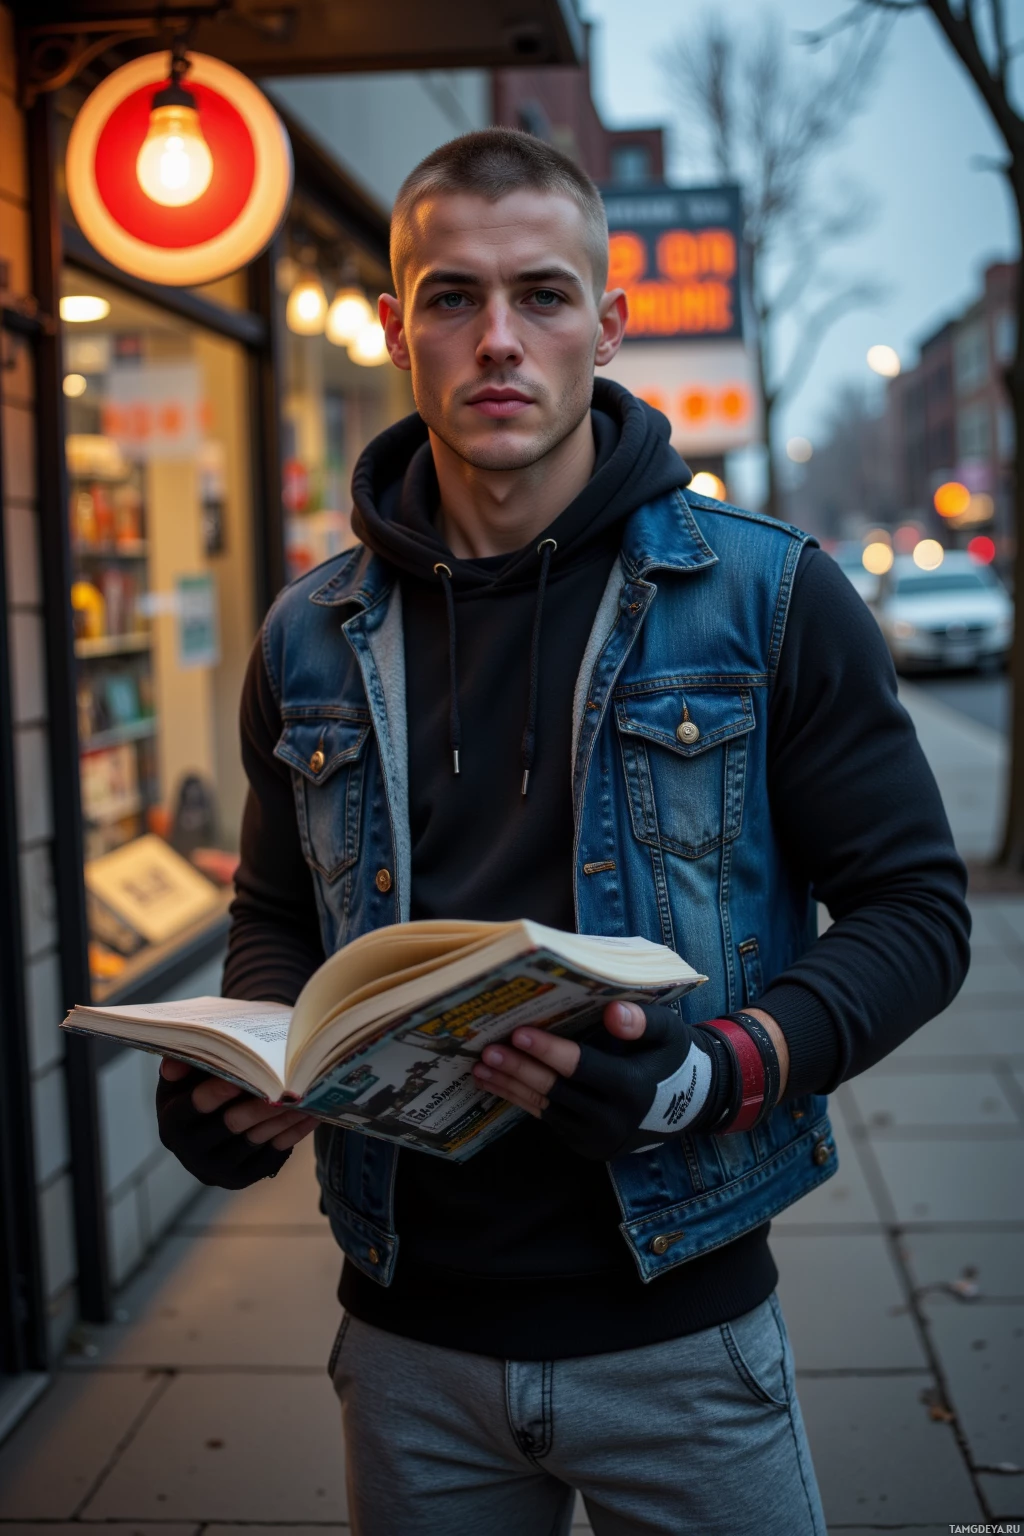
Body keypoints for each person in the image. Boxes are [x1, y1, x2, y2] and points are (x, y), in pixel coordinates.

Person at [157, 129, 970, 1535]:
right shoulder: (308, 633)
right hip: (408, 1341)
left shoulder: (771, 600)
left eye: (540, 295)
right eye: (451, 297)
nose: (497, 341)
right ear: (397, 327)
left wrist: (714, 1075)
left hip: (684, 1334)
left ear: (609, 323)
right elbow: (279, 913)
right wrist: (254, 1067)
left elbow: (916, 915)